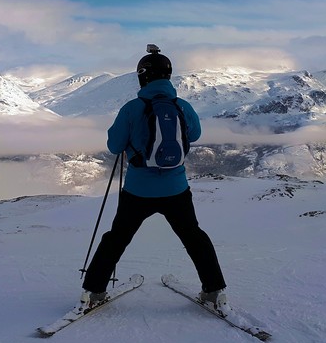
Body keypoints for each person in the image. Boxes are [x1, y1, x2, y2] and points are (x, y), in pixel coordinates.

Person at [80, 45, 227, 311]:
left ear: (142, 76)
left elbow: (114, 146)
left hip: (138, 191)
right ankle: (214, 291)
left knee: (116, 238)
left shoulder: (132, 108)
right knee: (194, 237)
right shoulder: (183, 106)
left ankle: (94, 292)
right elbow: (194, 135)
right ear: (168, 77)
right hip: (176, 189)